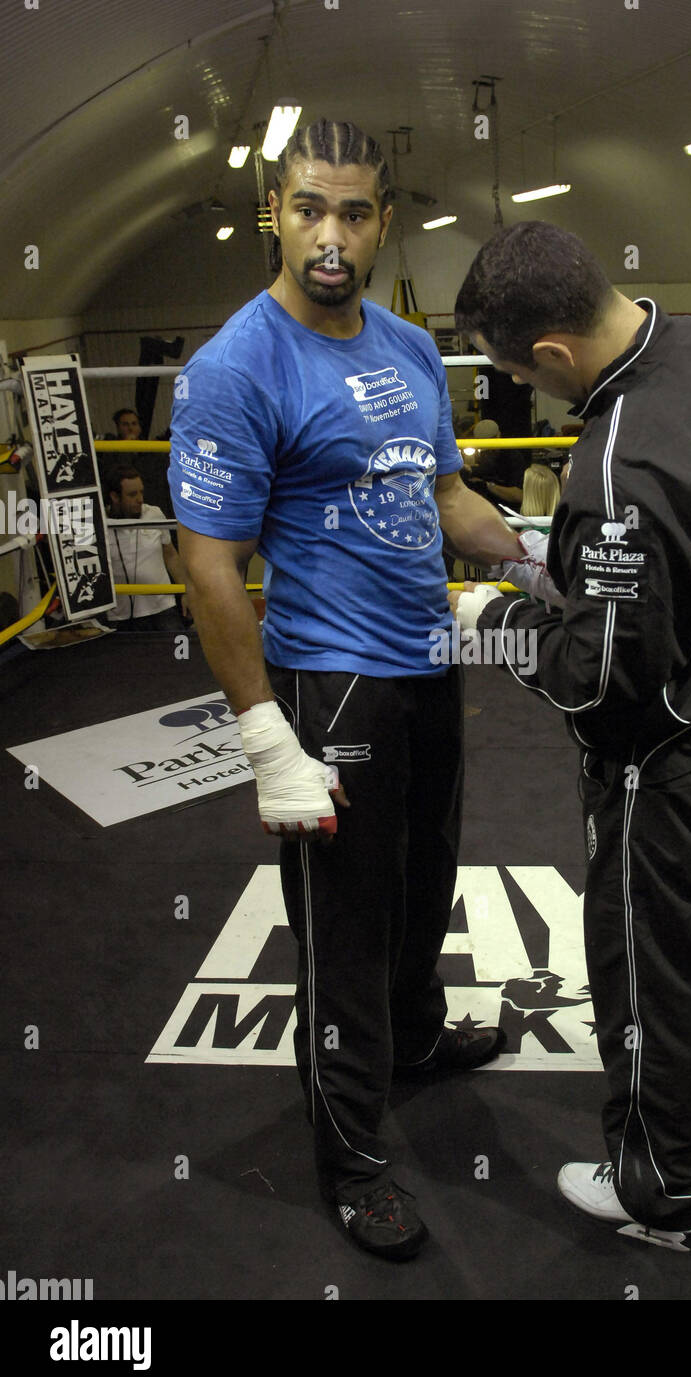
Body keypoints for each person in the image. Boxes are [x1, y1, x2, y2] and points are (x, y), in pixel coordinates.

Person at [167, 117, 527, 1262]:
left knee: (426, 882)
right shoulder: (238, 365)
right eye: (309, 209)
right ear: (275, 212)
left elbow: (445, 495)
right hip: (332, 683)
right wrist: (264, 737)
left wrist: (530, 557)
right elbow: (208, 565)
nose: (331, 236)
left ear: (383, 222)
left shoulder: (410, 347)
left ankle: (414, 1040)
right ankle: (353, 1156)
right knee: (346, 926)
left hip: (428, 666)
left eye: (355, 213)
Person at [450, 221, 691, 1252]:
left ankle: (659, 1186)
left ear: (552, 350)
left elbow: (601, 678)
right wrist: (562, 563)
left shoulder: (617, 461)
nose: (522, 386)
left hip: (674, 754)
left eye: (521, 372)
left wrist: (495, 618)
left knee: (651, 963)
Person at [104, 465, 186, 630]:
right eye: (132, 494)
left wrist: (186, 591)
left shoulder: (154, 514)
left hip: (163, 608)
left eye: (141, 492)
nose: (140, 499)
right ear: (115, 497)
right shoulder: (100, 523)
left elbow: (170, 555)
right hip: (120, 615)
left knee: (178, 647)